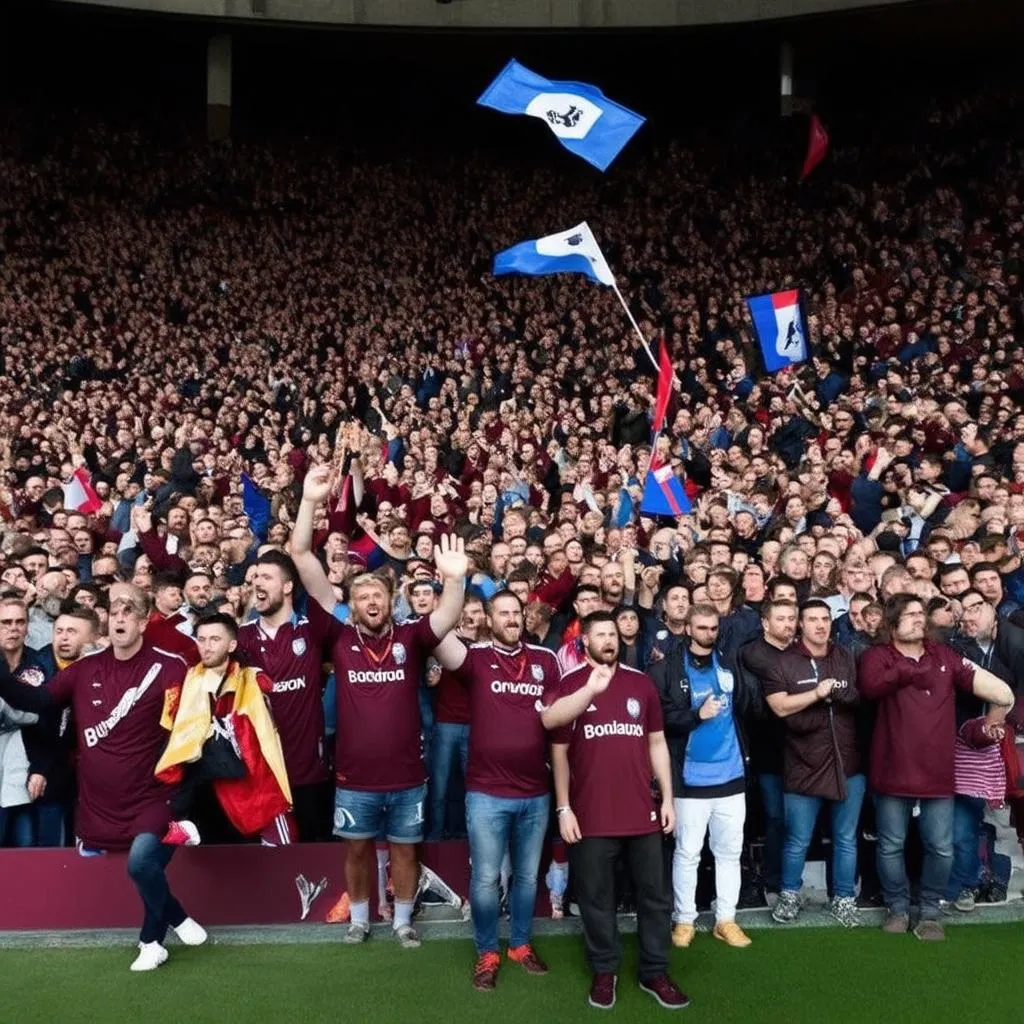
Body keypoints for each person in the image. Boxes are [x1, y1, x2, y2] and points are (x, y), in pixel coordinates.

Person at [291, 464, 467, 948]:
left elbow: (448, 617)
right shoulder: (339, 635)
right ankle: (360, 920)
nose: (371, 599)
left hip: (407, 775)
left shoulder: (411, 636)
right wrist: (309, 502)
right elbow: (302, 557)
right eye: (362, 594)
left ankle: (404, 921)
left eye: (378, 594)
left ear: (392, 602)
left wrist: (454, 581)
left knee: (407, 853)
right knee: (356, 853)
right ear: (350, 603)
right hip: (354, 778)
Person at [0, 583, 208, 971]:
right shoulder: (84, 669)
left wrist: (183, 795)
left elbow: (191, 734)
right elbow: (38, 701)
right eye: (115, 610)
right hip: (101, 804)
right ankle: (178, 916)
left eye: (130, 610)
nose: (120, 616)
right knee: (145, 866)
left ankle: (151, 941)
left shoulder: (170, 667)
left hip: (153, 793)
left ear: (144, 620)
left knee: (141, 864)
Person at [542, 611, 688, 1012]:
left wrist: (669, 800)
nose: (608, 639)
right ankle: (604, 971)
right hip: (589, 816)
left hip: (642, 812)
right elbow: (558, 751)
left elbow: (657, 743)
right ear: (583, 642)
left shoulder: (641, 684)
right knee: (596, 898)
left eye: (612, 633)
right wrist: (564, 807)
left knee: (655, 898)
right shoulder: (569, 686)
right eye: (599, 634)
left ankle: (655, 971)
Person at [857, 594, 1014, 941]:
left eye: (920, 614)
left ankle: (929, 911)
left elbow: (1000, 692)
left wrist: (997, 715)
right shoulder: (876, 656)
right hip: (891, 768)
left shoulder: (944, 655)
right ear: (892, 623)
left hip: (938, 771)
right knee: (890, 845)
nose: (918, 619)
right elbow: (871, 686)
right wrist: (909, 667)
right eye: (909, 614)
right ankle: (897, 908)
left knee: (941, 846)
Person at [433, 590, 560, 990]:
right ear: (488, 618)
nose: (511, 619)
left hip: (535, 792)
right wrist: (453, 584)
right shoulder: (476, 660)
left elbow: (557, 720)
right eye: (503, 613)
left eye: (516, 613)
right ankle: (487, 951)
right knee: (487, 878)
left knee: (525, 877)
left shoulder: (545, 660)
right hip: (487, 792)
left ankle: (520, 944)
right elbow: (434, 636)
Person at [649, 603, 753, 949]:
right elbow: (659, 717)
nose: (709, 633)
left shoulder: (729, 663)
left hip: (732, 775)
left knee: (728, 853)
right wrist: (697, 714)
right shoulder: (666, 668)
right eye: (703, 627)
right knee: (688, 853)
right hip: (690, 780)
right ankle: (684, 920)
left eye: (713, 627)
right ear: (688, 629)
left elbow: (747, 704)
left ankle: (726, 918)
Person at [760, 600, 864, 928]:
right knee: (797, 838)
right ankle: (789, 895)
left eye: (825, 619)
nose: (821, 625)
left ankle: (844, 898)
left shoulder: (845, 656)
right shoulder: (782, 662)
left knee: (846, 837)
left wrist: (839, 695)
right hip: (803, 763)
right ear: (800, 625)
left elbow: (859, 697)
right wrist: (819, 694)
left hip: (848, 762)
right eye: (813, 620)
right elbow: (780, 707)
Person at [156, 613, 294, 846]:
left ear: (232, 644)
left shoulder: (251, 681)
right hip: (202, 793)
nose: (206, 647)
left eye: (214, 639)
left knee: (269, 860)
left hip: (247, 788)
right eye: (201, 639)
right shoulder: (184, 680)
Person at [235, 550, 332, 841]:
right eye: (255, 578)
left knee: (315, 854)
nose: (257, 583)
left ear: (288, 586)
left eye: (266, 577)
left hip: (309, 771)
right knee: (273, 862)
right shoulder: (242, 638)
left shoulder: (311, 631)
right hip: (263, 775)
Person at [738, 599, 798, 901]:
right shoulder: (752, 654)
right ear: (765, 622)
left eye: (791, 618)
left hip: (802, 750)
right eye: (781, 618)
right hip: (765, 749)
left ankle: (789, 882)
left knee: (794, 821)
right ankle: (772, 881)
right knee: (775, 818)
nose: (787, 624)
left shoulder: (801, 651)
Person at [426, 595, 484, 841]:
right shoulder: (446, 642)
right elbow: (431, 668)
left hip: (477, 724)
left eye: (478, 611)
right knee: (439, 787)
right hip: (447, 723)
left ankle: (473, 836)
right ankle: (436, 837)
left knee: (475, 788)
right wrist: (431, 673)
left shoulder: (489, 646)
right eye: (469, 611)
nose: (474, 616)